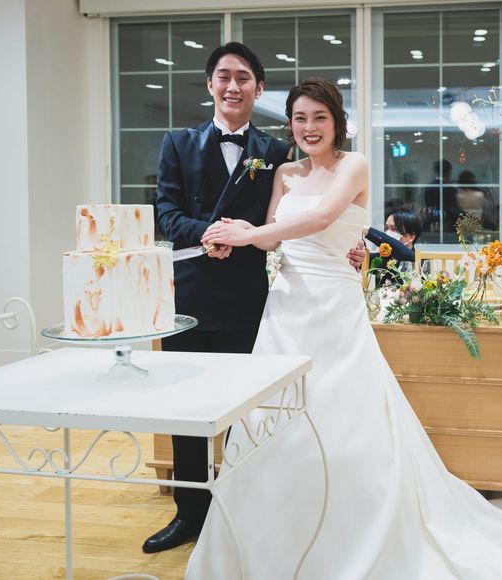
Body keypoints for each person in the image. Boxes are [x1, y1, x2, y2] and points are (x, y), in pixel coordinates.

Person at [186, 78, 502, 579]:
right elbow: (274, 242)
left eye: (319, 118)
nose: (309, 127)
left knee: (343, 418)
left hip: (334, 307)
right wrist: (238, 234)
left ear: (337, 123)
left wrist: (250, 233)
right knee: (272, 420)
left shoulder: (355, 165)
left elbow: (322, 218)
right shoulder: (284, 173)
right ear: (290, 123)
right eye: (300, 118)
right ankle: (270, 536)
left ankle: (352, 533)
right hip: (284, 307)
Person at [143, 44, 366, 554]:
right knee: (186, 408)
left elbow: (303, 217)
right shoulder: (178, 143)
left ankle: (241, 507)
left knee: (252, 411)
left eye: (243, 77)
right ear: (210, 84)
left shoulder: (278, 154)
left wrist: (358, 246)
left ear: (258, 88)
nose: (233, 86)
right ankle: (189, 512)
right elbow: (165, 214)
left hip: (253, 301)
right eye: (223, 76)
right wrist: (211, 234)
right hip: (188, 296)